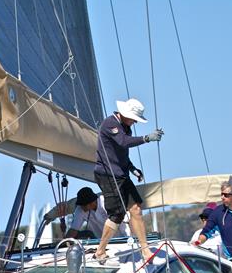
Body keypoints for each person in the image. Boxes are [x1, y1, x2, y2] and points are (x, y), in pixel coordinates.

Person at [94, 98, 163, 263]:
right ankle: (100, 251)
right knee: (117, 215)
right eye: (134, 119)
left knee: (136, 209)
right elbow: (123, 142)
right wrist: (147, 138)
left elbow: (121, 152)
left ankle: (145, 251)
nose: (134, 122)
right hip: (107, 175)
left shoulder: (126, 127)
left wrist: (132, 168)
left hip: (122, 174)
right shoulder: (110, 124)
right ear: (125, 114)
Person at [65, 187, 130, 240]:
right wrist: (64, 242)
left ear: (92, 202)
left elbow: (125, 220)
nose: (81, 207)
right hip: (102, 242)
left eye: (83, 205)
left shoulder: (106, 202)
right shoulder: (80, 209)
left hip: (123, 238)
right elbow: (73, 230)